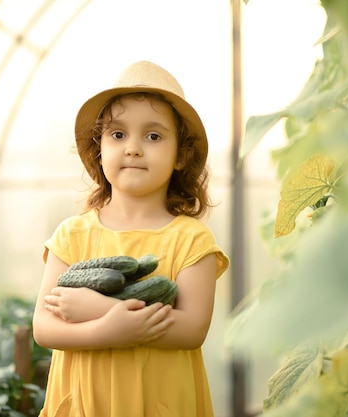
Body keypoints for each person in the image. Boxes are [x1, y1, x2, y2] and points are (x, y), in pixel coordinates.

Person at [32, 60, 230, 417]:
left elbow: (191, 330)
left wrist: (101, 310)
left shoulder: (192, 240)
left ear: (181, 155)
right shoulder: (72, 235)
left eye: (153, 136)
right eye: (118, 134)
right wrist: (107, 331)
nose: (133, 148)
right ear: (99, 148)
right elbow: (44, 328)